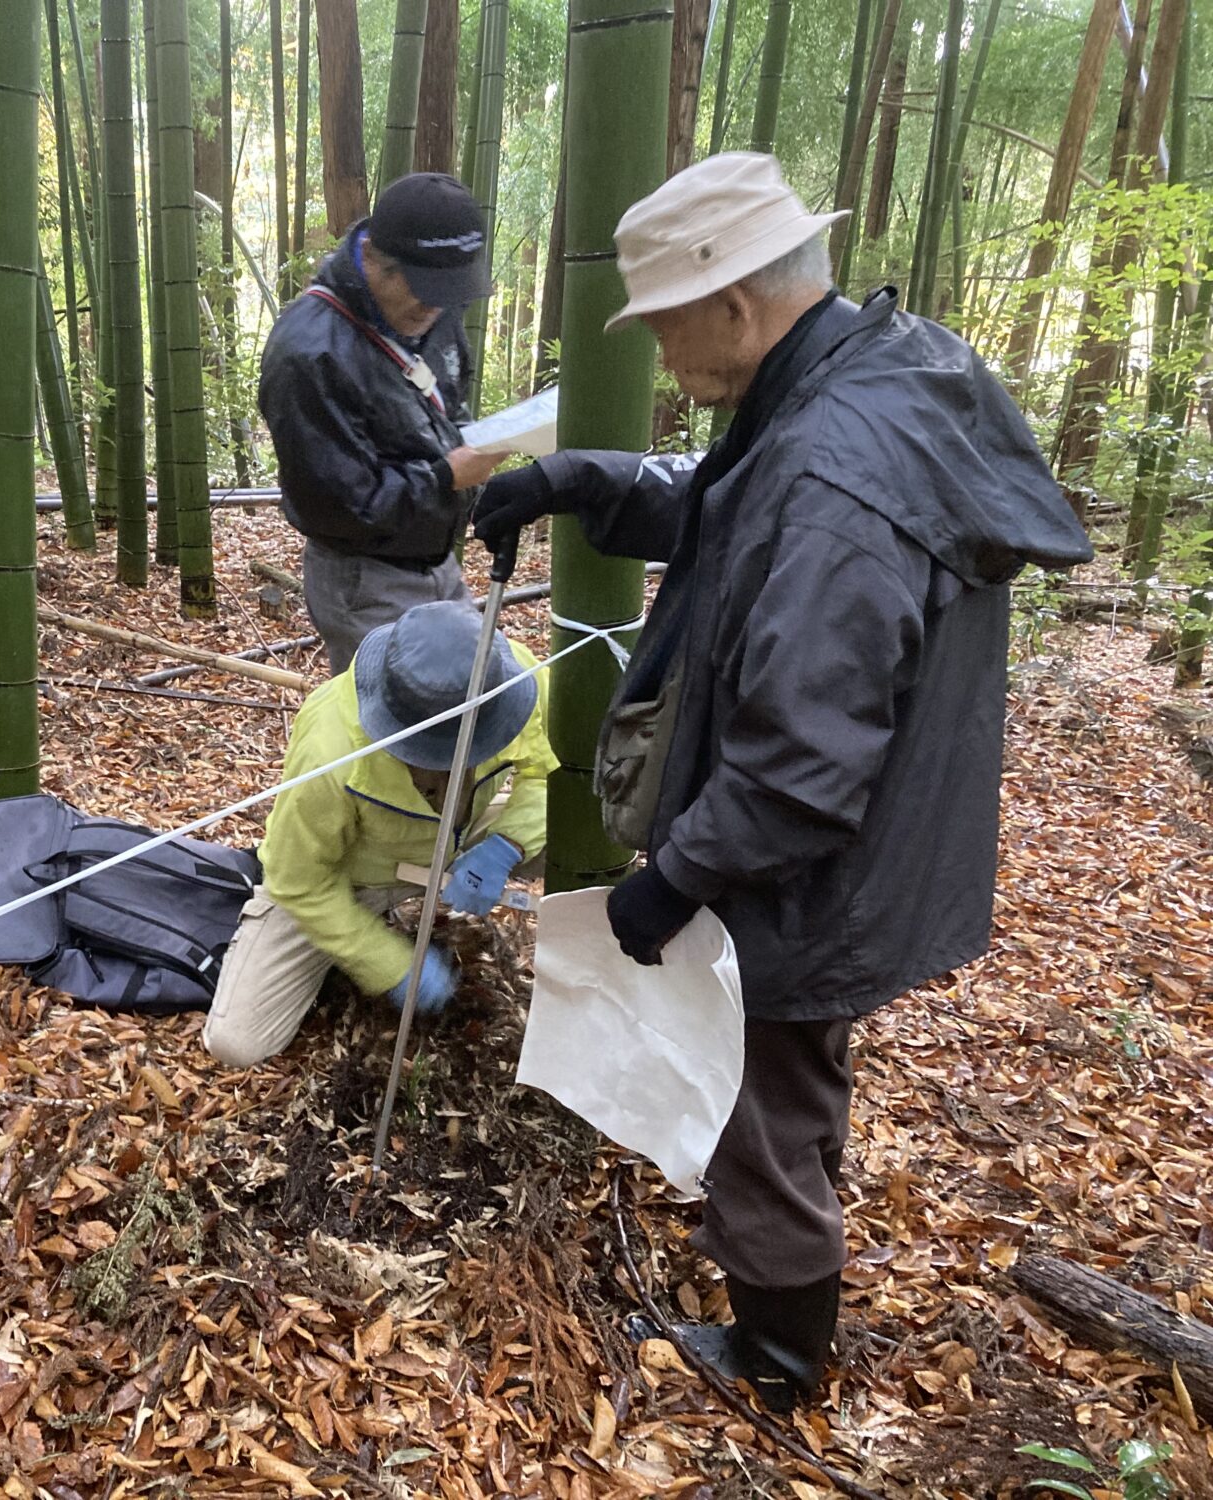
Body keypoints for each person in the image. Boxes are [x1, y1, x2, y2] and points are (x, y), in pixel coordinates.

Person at [472, 153, 1093, 1412]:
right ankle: (783, 1293)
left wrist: (674, 882)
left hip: (811, 863)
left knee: (761, 1095)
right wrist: (577, 481)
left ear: (735, 305)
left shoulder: (833, 471)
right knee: (790, 1078)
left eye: (661, 326)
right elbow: (732, 502)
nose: (656, 353)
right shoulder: (873, 377)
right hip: (859, 843)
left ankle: (777, 1353)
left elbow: (803, 765)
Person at [201, 600, 553, 1067]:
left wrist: (508, 844)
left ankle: (591, 970)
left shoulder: (511, 682)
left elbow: (555, 773)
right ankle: (339, 951)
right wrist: (390, 964)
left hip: (468, 840)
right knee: (235, 1043)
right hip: (351, 878)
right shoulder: (330, 749)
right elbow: (298, 881)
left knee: (592, 831)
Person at [259, 173, 505, 673]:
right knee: (398, 735)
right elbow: (339, 506)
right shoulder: (309, 353)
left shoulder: (433, 307)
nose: (433, 307)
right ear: (371, 257)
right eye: (421, 289)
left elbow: (449, 395)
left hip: (437, 560)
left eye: (448, 291)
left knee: (473, 699)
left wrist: (476, 444)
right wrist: (445, 477)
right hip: (364, 578)